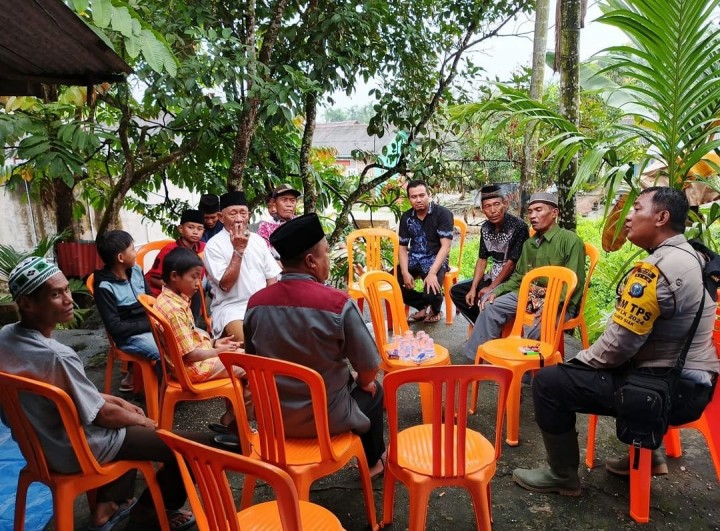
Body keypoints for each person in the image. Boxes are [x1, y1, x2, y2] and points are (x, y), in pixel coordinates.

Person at [513, 187, 719, 496]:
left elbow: (614, 349)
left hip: (666, 392)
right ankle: (649, 452)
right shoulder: (694, 254)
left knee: (550, 382)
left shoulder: (655, 272)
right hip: (693, 382)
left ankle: (562, 474)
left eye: (637, 209)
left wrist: (575, 362)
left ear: (661, 217)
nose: (628, 217)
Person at [0, 257, 204, 530]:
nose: (68, 299)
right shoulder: (56, 356)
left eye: (66, 290)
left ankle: (106, 508)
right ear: (26, 303)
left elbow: (75, 394)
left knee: (130, 417)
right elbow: (103, 416)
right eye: (56, 294)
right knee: (192, 448)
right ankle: (149, 514)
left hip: (40, 447)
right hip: (76, 449)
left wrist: (120, 401)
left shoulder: (5, 338)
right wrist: (144, 422)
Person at [244, 213, 386, 478]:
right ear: (311, 261)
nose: (327, 261)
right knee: (374, 390)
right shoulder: (337, 303)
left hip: (273, 420)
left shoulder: (255, 304)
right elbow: (369, 369)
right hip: (325, 420)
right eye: (325, 254)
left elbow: (253, 363)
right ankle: (373, 461)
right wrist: (361, 379)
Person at [463, 192, 586, 361]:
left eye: (538, 210)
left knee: (537, 326)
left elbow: (575, 282)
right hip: (532, 294)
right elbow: (520, 277)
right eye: (530, 211)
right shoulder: (530, 244)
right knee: (491, 306)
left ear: (554, 213)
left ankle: (527, 371)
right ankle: (479, 358)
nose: (533, 216)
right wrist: (497, 291)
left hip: (560, 301)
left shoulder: (570, 241)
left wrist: (553, 305)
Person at [154, 248, 251, 433]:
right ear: (175, 276)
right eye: (194, 277)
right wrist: (217, 352)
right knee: (253, 366)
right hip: (194, 369)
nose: (199, 284)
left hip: (190, 364)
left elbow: (187, 339)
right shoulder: (174, 310)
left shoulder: (170, 299)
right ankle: (238, 424)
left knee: (243, 354)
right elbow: (189, 355)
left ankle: (233, 421)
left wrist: (214, 344)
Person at [202, 191, 281, 343]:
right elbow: (225, 285)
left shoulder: (258, 240)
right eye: (233, 214)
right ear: (221, 217)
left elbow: (272, 277)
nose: (238, 219)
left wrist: (267, 305)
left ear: (249, 215)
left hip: (261, 305)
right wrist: (238, 251)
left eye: (243, 213)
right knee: (250, 342)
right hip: (231, 309)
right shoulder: (213, 246)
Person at [449, 184, 529, 324]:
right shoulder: (486, 227)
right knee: (458, 291)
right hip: (493, 276)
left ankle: (488, 328)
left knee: (487, 297)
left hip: (511, 281)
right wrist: (473, 288)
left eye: (496, 204)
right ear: (483, 209)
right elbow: (482, 259)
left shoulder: (519, 226)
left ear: (504, 204)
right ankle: (480, 324)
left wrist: (491, 288)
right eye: (488, 206)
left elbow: (511, 263)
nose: (493, 210)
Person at [94, 230, 161, 387]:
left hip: (150, 326)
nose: (135, 252)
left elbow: (150, 298)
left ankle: (179, 380)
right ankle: (165, 391)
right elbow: (115, 328)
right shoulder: (104, 287)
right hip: (127, 337)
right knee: (162, 350)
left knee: (184, 338)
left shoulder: (136, 270)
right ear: (120, 258)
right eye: (132, 249)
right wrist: (149, 325)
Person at [397, 179, 455, 324]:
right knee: (392, 282)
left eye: (422, 195)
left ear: (429, 195)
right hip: (414, 258)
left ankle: (435, 309)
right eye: (414, 197)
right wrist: (404, 272)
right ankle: (420, 305)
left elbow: (445, 246)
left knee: (431, 291)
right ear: (409, 199)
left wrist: (432, 273)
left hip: (435, 260)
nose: (418, 200)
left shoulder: (443, 214)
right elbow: (403, 247)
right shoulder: (406, 217)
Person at [144, 209, 206, 321]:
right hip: (162, 293)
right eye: (191, 227)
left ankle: (194, 324)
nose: (195, 232)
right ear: (181, 229)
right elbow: (154, 278)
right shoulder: (169, 250)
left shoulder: (203, 248)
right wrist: (181, 290)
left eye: (199, 228)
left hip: (188, 288)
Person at [256, 183, 301, 259]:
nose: (289, 205)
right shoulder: (265, 227)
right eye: (284, 200)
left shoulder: (301, 223)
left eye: (292, 201)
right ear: (274, 203)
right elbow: (264, 256)